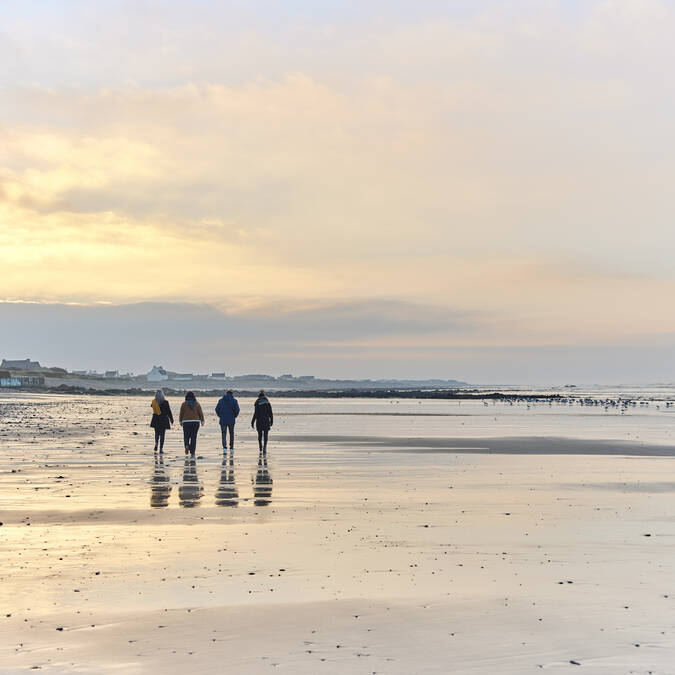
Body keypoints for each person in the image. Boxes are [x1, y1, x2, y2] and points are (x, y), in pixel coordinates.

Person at [179, 391, 204, 456]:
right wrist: (202, 420)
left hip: (186, 422)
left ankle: (187, 445)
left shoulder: (184, 404)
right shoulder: (197, 404)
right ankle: (192, 451)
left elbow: (181, 413)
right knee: (193, 437)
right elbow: (200, 412)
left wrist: (180, 421)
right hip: (195, 422)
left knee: (186, 436)